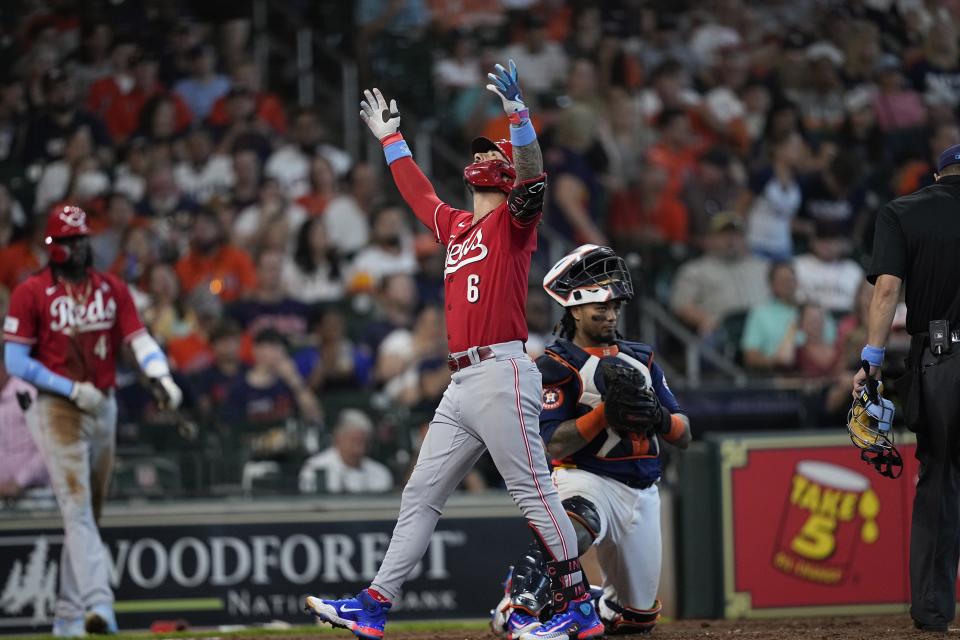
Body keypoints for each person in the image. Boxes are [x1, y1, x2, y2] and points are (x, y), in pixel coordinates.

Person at [305, 59, 603, 640]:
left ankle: (579, 608)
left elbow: (535, 173)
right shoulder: (458, 227)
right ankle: (375, 604)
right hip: (463, 383)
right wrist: (392, 140)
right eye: (482, 152)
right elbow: (418, 192)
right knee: (420, 492)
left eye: (495, 153)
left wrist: (519, 117)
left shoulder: (517, 222)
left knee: (533, 491)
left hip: (503, 370)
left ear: (505, 176)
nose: (485, 155)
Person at [490, 245, 691, 639]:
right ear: (575, 310)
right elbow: (554, 445)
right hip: (586, 478)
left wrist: (657, 417)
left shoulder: (642, 358)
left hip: (643, 490)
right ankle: (518, 607)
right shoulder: (554, 364)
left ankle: (577, 601)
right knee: (576, 527)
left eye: (614, 306)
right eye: (600, 308)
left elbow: (683, 433)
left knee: (634, 620)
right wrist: (603, 413)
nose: (610, 315)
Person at [2, 205, 182, 636]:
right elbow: (14, 360)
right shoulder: (31, 292)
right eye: (68, 241)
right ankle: (100, 607)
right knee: (77, 508)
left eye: (81, 239)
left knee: (86, 515)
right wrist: (67, 388)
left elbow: (138, 337)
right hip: (55, 405)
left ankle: (66, 619)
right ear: (53, 246)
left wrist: (160, 374)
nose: (78, 248)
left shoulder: (111, 288)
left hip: (103, 403)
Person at [854, 143, 960, 634]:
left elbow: (887, 289)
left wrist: (872, 360)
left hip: (943, 360)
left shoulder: (903, 211)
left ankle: (934, 611)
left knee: (939, 479)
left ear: (939, 174)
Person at [298, 409, 393, 494]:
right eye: (354, 441)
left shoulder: (380, 473)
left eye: (363, 441)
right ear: (338, 438)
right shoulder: (315, 468)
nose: (359, 448)